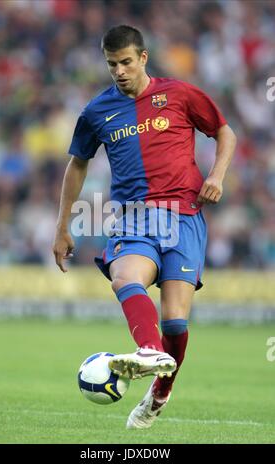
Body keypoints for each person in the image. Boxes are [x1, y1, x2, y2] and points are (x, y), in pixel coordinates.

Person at [53, 25, 236, 429]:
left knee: (175, 322)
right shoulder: (96, 112)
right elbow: (78, 163)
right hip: (134, 217)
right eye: (111, 64)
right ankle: (148, 350)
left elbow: (224, 131)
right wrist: (63, 224)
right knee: (124, 275)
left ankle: (159, 392)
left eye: (125, 62)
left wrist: (217, 175)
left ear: (143, 58)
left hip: (184, 216)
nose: (118, 71)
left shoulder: (180, 94)